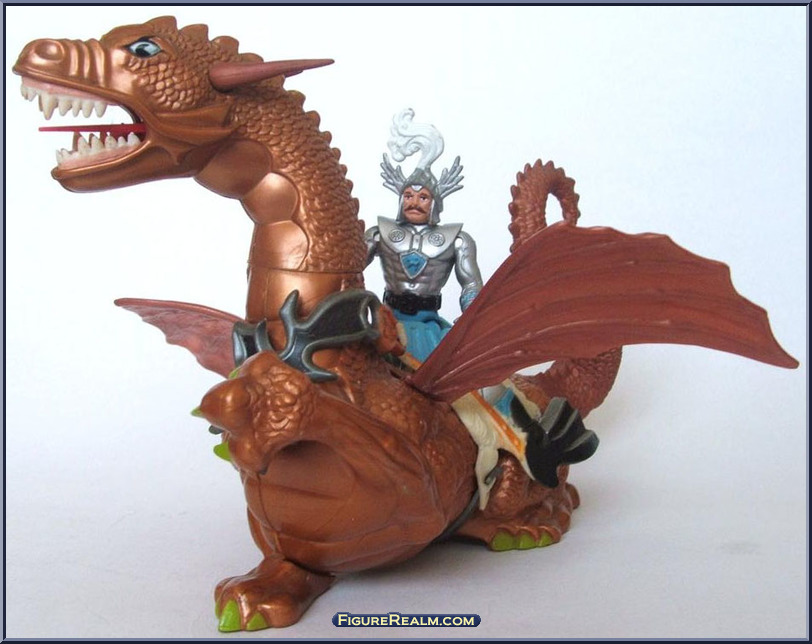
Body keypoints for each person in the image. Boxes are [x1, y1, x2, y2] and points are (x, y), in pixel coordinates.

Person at [365, 108, 483, 363]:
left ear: (434, 203)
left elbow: (471, 284)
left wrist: (471, 321)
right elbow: (349, 266)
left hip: (427, 327)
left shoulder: (458, 240)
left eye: (423, 197)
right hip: (387, 320)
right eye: (408, 195)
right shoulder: (379, 233)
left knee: (437, 370)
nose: (414, 202)